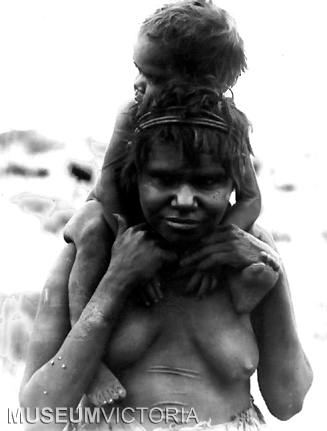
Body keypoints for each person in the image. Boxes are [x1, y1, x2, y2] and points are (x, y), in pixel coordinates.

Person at [20, 84, 312, 430]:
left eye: (207, 182)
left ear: (234, 184)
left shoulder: (247, 253)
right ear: (135, 177)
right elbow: (39, 416)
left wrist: (272, 269)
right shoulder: (93, 246)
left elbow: (288, 401)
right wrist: (116, 282)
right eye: (164, 179)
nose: (185, 200)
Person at [64, 0, 263, 404]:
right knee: (89, 233)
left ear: (199, 84)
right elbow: (107, 186)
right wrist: (130, 244)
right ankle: (87, 356)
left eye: (152, 76)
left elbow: (250, 198)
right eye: (137, 69)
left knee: (251, 252)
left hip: (184, 217)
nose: (137, 83)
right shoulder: (131, 113)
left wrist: (218, 244)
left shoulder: (226, 126)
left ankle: (245, 300)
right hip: (121, 208)